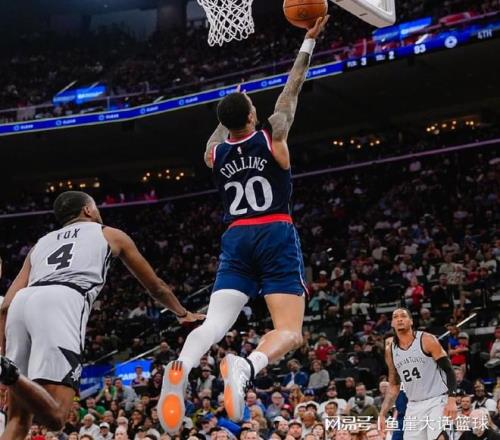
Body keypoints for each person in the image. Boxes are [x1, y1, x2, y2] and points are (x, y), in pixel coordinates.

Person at [156, 15, 330, 435]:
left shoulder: (215, 154)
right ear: (253, 115)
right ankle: (246, 366)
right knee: (290, 332)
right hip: (274, 231)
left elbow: (214, 138)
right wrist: (307, 42)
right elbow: (291, 90)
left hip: (236, 237)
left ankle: (181, 365)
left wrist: (231, 106)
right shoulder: (273, 135)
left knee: (214, 324)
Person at [0, 191, 204, 438]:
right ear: (87, 210)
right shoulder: (109, 233)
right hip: (61, 299)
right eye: (96, 207)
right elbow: (156, 287)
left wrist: (3, 350)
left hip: (22, 302)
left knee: (18, 419)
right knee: (57, 418)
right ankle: (9, 373)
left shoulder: (40, 244)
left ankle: (7, 370)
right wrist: (182, 313)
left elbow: (5, 306)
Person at [379, 308, 457, 440]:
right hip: (413, 405)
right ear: (392, 323)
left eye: (403, 316)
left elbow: (449, 370)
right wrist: (382, 413)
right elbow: (393, 386)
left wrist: (452, 399)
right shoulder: (390, 350)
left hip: (437, 400)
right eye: (395, 317)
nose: (399, 319)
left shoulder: (427, 340)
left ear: (411, 321)